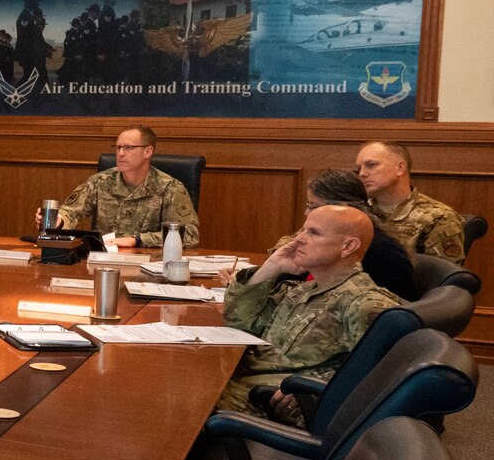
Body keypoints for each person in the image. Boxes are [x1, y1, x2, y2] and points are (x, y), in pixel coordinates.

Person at [218, 204, 401, 420]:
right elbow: (237, 321)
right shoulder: (303, 290)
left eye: (313, 233)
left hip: (274, 400)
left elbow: (383, 373)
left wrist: (312, 387)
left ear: (348, 246)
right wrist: (272, 266)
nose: (298, 240)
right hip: (244, 381)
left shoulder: (364, 302)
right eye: (302, 230)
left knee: (186, 403)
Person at [283, 168, 417, 299]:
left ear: (342, 208)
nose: (306, 212)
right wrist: (272, 267)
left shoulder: (383, 252)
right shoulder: (321, 240)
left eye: (314, 206)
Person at [58, 125, 200, 249]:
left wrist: (136, 240)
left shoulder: (170, 188)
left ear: (148, 152)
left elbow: (189, 234)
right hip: (104, 261)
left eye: (128, 148)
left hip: (148, 264)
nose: (120, 153)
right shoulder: (100, 181)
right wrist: (58, 220)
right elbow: (70, 212)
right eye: (118, 147)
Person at [356, 140, 466, 263]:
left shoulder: (438, 217)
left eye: (371, 165)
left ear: (400, 168)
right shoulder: (358, 211)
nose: (362, 173)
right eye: (359, 168)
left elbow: (442, 275)